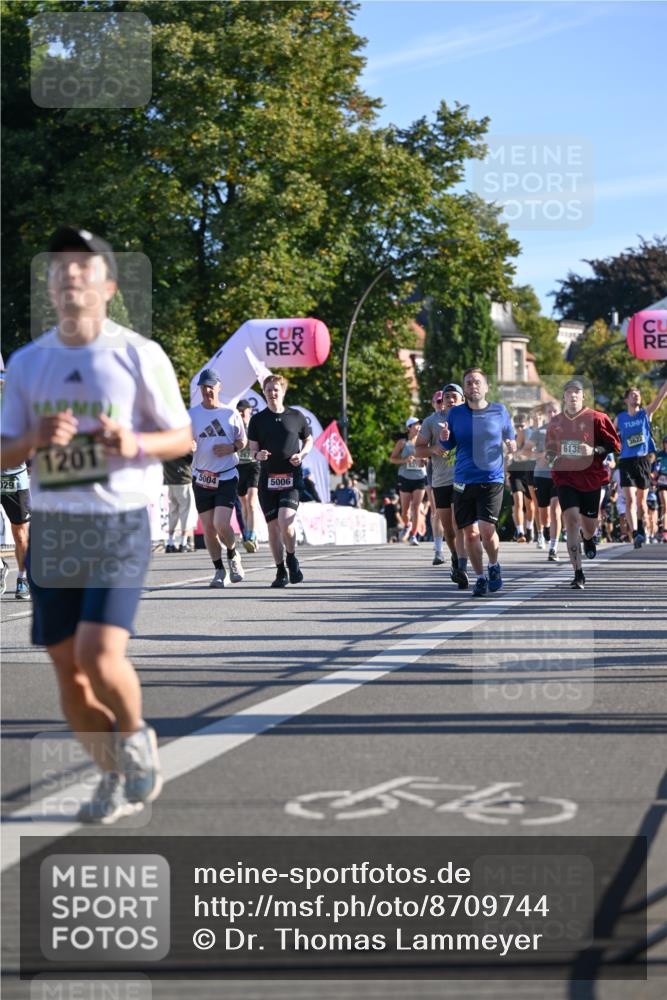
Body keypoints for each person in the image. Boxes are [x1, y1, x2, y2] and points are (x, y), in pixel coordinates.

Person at [0, 226, 192, 823]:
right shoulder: (30, 363)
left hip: (116, 522)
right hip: (55, 526)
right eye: (59, 267)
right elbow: (4, 450)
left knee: (100, 655)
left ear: (108, 286)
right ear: (50, 286)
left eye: (83, 266)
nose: (70, 274)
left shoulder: (138, 354)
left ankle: (135, 737)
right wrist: (33, 439)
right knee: (69, 675)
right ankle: (110, 774)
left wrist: (133, 441)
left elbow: (181, 436)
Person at [439, 368, 516, 596]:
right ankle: (480, 577)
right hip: (463, 479)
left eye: (477, 382)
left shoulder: (499, 411)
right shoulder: (455, 414)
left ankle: (493, 565)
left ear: (486, 386)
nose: (473, 386)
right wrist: (444, 440)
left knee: (486, 529)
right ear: (466, 389)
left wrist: (511, 444)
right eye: (469, 383)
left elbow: (510, 436)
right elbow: (449, 445)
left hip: (491, 478)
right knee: (470, 534)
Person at [545, 378, 621, 590]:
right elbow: (550, 448)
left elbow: (615, 446)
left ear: (583, 396)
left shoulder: (598, 418)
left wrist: (593, 451)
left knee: (588, 526)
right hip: (565, 476)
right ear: (564, 397)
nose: (573, 395)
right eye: (568, 392)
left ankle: (588, 538)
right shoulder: (556, 422)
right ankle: (578, 573)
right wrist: (551, 457)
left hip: (591, 478)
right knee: (570, 519)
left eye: (576, 392)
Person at [247, 374, 313, 587]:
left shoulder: (296, 416)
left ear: (283, 391)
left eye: (276, 389)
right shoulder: (257, 420)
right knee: (273, 527)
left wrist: (301, 455)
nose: (272, 393)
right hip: (267, 480)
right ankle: (280, 571)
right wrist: (259, 456)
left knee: (286, 521)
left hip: (291, 477)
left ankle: (292, 557)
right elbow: (252, 449)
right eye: (268, 390)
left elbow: (309, 439)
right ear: (264, 393)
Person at [190, 369, 246, 588]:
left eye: (211, 386)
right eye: (203, 387)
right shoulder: (191, 415)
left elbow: (242, 441)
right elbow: (184, 442)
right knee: (208, 528)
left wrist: (231, 447)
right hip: (202, 477)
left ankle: (233, 555)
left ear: (219, 387)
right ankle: (218, 570)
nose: (207, 390)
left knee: (221, 523)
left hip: (226, 476)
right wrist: (188, 446)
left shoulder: (230, 414)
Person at [415, 383, 468, 586]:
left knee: (458, 523)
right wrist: (434, 448)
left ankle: (462, 566)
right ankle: (455, 555)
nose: (450, 400)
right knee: (447, 525)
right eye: (447, 397)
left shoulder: (470, 419)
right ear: (442, 401)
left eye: (455, 396)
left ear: (462, 400)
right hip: (440, 480)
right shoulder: (431, 422)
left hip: (464, 479)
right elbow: (418, 450)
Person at [614, 381, 667, 548]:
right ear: (626, 400)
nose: (636, 396)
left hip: (643, 461)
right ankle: (636, 533)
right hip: (626, 461)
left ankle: (641, 526)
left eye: (638, 394)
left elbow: (660, 397)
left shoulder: (645, 414)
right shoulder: (620, 418)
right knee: (629, 499)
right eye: (632, 395)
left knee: (642, 501)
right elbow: (609, 433)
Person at [531, 402, 562, 562]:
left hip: (560, 475)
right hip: (541, 475)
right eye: (550, 411)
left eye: (555, 411)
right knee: (544, 515)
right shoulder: (539, 431)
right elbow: (526, 451)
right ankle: (547, 530)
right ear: (546, 413)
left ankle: (553, 547)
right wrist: (541, 456)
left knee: (556, 509)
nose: (552, 414)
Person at [389, 417, 428, 545]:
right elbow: (392, 459)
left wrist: (424, 461)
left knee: (416, 507)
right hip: (405, 477)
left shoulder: (423, 442)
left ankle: (413, 535)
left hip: (420, 477)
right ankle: (408, 524)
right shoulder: (402, 443)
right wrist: (404, 461)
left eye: (419, 425)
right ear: (409, 428)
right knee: (405, 511)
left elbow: (427, 459)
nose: (419, 427)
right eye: (416, 425)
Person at [235, 399, 261, 552]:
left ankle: (252, 535)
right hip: (239, 466)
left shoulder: (254, 424)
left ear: (249, 411)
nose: (241, 413)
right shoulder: (235, 425)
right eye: (239, 411)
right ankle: (246, 534)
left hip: (253, 464)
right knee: (244, 504)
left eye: (243, 411)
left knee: (251, 502)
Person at [507, 417, 535, 543]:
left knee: (530, 505)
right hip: (515, 474)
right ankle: (520, 532)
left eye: (522, 426)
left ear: (526, 426)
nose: (519, 428)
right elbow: (506, 458)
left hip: (528, 473)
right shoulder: (510, 439)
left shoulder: (531, 440)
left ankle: (529, 528)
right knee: (518, 502)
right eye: (517, 425)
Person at [162, 450, 194, 552]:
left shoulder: (164, 444)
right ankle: (183, 543)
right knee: (185, 512)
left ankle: (170, 542)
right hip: (183, 480)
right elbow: (192, 458)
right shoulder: (180, 442)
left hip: (169, 480)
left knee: (172, 512)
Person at [653, 435, 667, 542]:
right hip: (662, 482)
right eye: (665, 442)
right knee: (665, 505)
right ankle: (664, 530)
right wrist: (654, 477)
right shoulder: (659, 455)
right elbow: (654, 470)